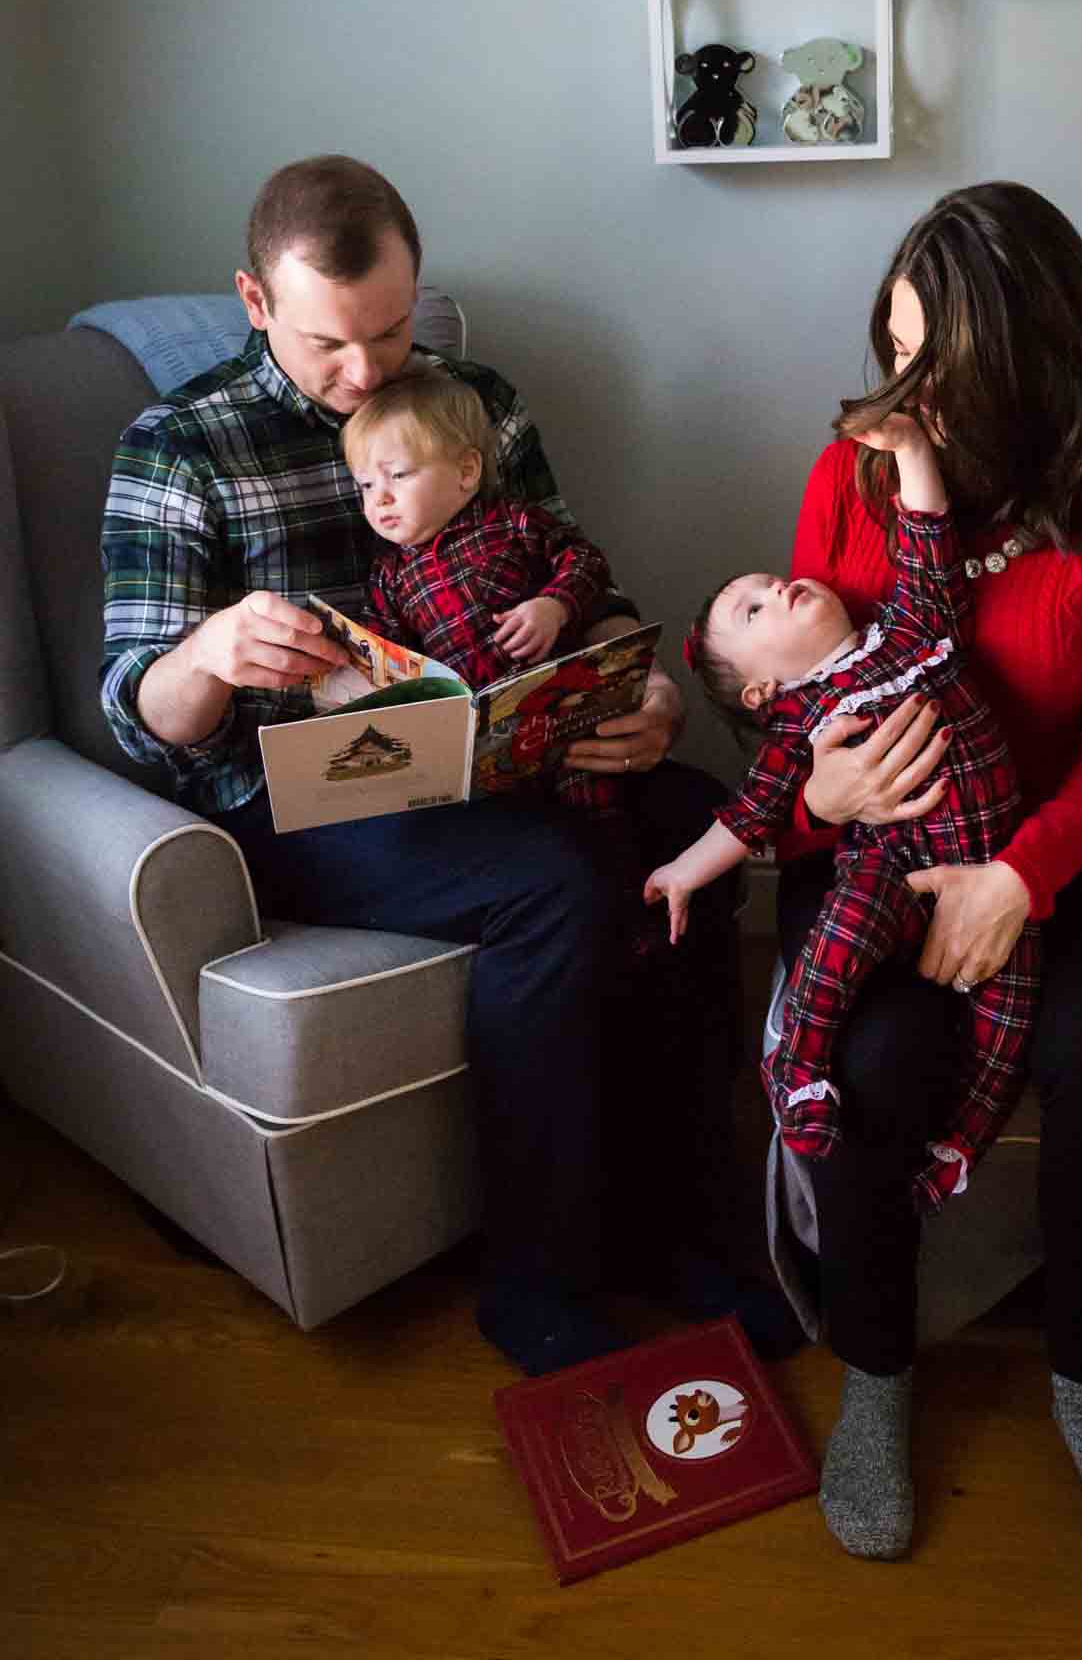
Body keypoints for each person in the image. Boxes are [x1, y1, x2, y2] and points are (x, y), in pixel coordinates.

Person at [100, 153, 800, 1375]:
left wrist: (640, 689)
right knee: (556, 882)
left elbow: (582, 587)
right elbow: (136, 709)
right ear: (255, 302)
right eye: (330, 343)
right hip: (306, 801)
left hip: (503, 753)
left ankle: (683, 1227)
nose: (368, 370)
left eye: (391, 326)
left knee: (695, 819)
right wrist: (212, 648)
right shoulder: (181, 445)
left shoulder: (474, 403)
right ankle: (536, 1276)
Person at [778, 181, 1082, 1595]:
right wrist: (821, 794)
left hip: (1051, 854)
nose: (905, 394)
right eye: (895, 349)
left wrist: (1016, 878)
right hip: (871, 855)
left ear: (1035, 363)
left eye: (937, 366)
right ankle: (876, 1378)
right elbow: (802, 688)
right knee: (872, 1058)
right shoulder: (853, 469)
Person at [643, 410, 1039, 1214]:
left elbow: (924, 537)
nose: (775, 587)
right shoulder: (801, 725)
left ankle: (958, 1144)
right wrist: (684, 872)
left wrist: (915, 452)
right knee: (839, 936)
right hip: (890, 863)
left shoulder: (911, 629)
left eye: (767, 581)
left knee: (1009, 1014)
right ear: (761, 692)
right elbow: (751, 815)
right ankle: (799, 1070)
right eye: (752, 611)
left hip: (996, 858)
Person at [342, 367, 621, 815]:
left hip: (559, 716)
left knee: (596, 807)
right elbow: (383, 652)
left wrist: (555, 607)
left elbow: (588, 563)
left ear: (466, 471)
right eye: (367, 486)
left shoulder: (512, 523)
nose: (380, 499)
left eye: (397, 475)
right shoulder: (389, 577)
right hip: (473, 747)